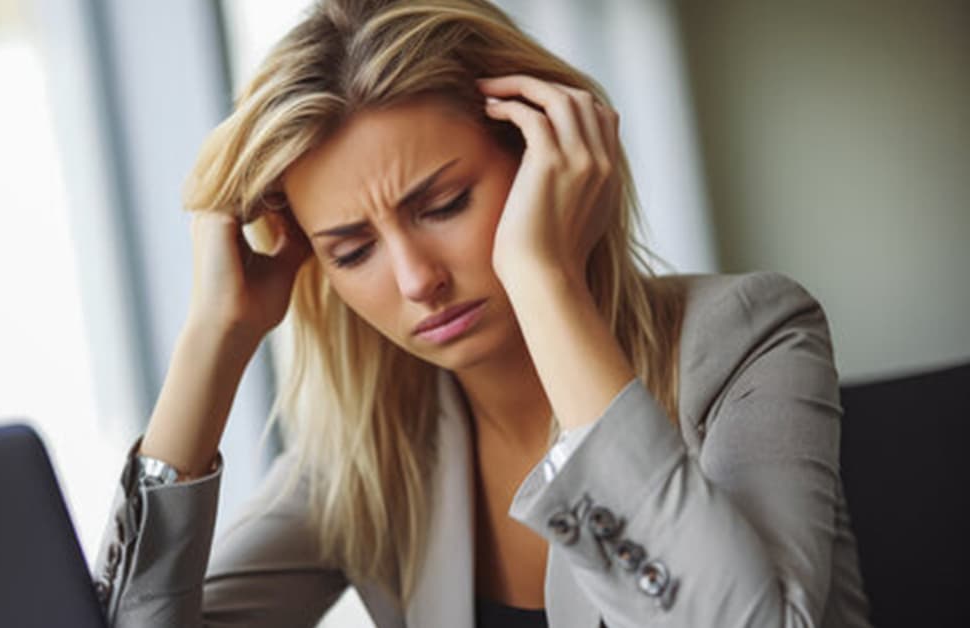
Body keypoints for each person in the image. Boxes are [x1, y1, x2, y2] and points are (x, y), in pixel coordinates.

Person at [91, 0, 872, 626]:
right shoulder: (370, 446)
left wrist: (544, 277)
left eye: (445, 204)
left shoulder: (746, 337)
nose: (417, 279)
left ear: (541, 159)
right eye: (352, 250)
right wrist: (213, 342)